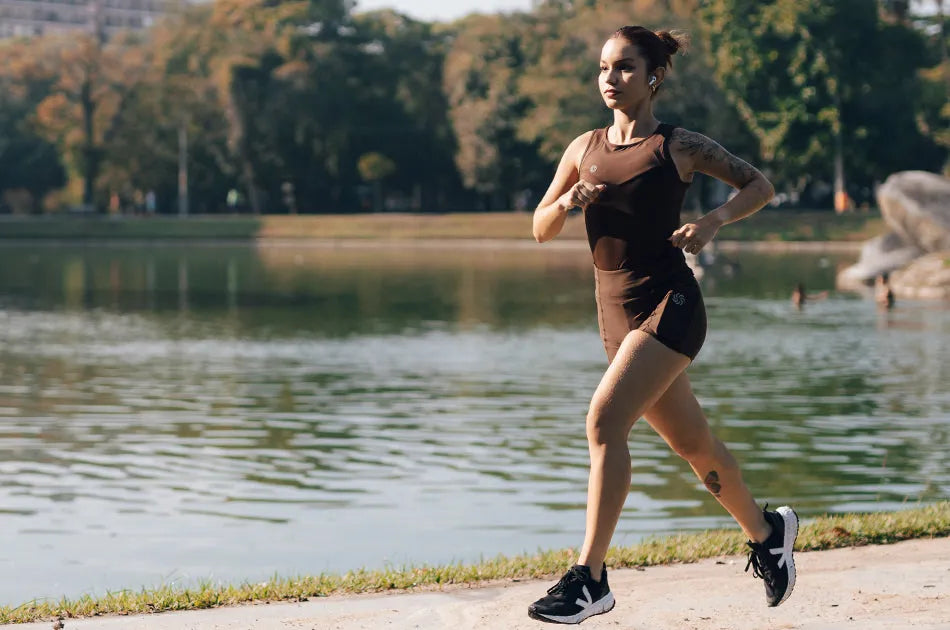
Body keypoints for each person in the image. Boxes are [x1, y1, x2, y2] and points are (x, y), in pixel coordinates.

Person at [529, 26, 798, 624]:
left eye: (624, 67)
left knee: (603, 422)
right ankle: (768, 533)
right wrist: (571, 200)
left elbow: (760, 185)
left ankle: (589, 579)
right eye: (603, 67)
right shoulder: (582, 147)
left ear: (654, 76)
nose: (609, 78)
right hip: (614, 316)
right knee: (693, 444)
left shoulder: (679, 146)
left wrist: (713, 222)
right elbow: (540, 228)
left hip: (670, 306)